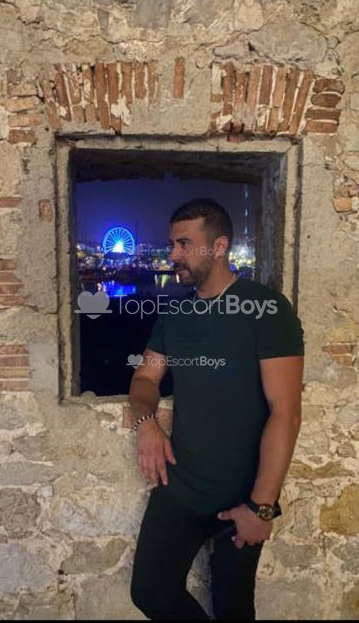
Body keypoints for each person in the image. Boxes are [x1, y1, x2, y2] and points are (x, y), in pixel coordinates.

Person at [128, 198, 305, 620]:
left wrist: (261, 508)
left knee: (234, 610)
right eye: (172, 244)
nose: (173, 254)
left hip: (243, 495)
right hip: (181, 484)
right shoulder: (176, 314)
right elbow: (145, 380)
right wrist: (146, 423)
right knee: (150, 593)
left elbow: (286, 412)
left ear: (219, 246)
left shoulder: (267, 309)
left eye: (184, 244)